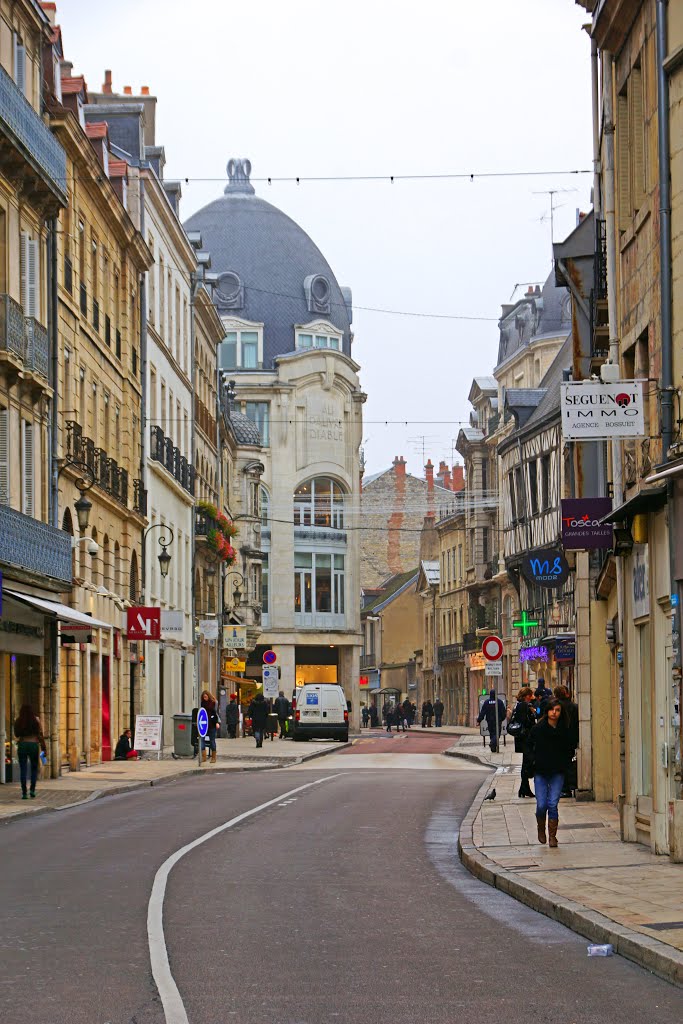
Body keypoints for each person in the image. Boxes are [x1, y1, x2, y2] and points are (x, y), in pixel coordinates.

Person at [528, 697, 574, 848]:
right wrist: (533, 762)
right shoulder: (538, 729)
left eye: (558, 710)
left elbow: (570, 748)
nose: (554, 713)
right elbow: (528, 747)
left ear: (561, 713)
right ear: (547, 711)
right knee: (542, 804)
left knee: (552, 804)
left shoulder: (565, 730)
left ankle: (552, 837)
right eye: (552, 710)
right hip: (540, 771)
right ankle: (541, 827)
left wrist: (565, 763)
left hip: (557, 772)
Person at [508, 687, 536, 797]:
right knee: (527, 763)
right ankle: (524, 788)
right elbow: (526, 721)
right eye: (530, 695)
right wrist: (532, 715)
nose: (531, 697)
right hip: (526, 738)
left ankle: (524, 788)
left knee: (525, 762)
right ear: (526, 696)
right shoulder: (523, 705)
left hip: (521, 738)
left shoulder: (518, 704)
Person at [14, 704, 45, 800]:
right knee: (34, 768)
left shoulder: (18, 720)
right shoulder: (36, 720)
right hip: (33, 745)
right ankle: (32, 790)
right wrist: (44, 747)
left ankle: (24, 793)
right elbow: (40, 734)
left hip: (22, 745)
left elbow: (16, 734)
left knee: (23, 769)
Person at [554, 685, 579, 796]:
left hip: (558, 740)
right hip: (571, 740)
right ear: (566, 694)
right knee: (568, 763)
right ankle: (569, 786)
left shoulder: (555, 708)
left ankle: (564, 788)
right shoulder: (574, 706)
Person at [200, 690, 220, 763]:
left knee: (212, 741)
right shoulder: (202, 704)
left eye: (206, 696)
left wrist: (217, 722)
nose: (205, 698)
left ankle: (213, 757)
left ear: (208, 696)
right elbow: (201, 714)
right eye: (203, 697)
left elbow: (215, 714)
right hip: (204, 725)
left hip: (212, 724)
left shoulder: (213, 703)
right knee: (202, 740)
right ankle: (203, 756)